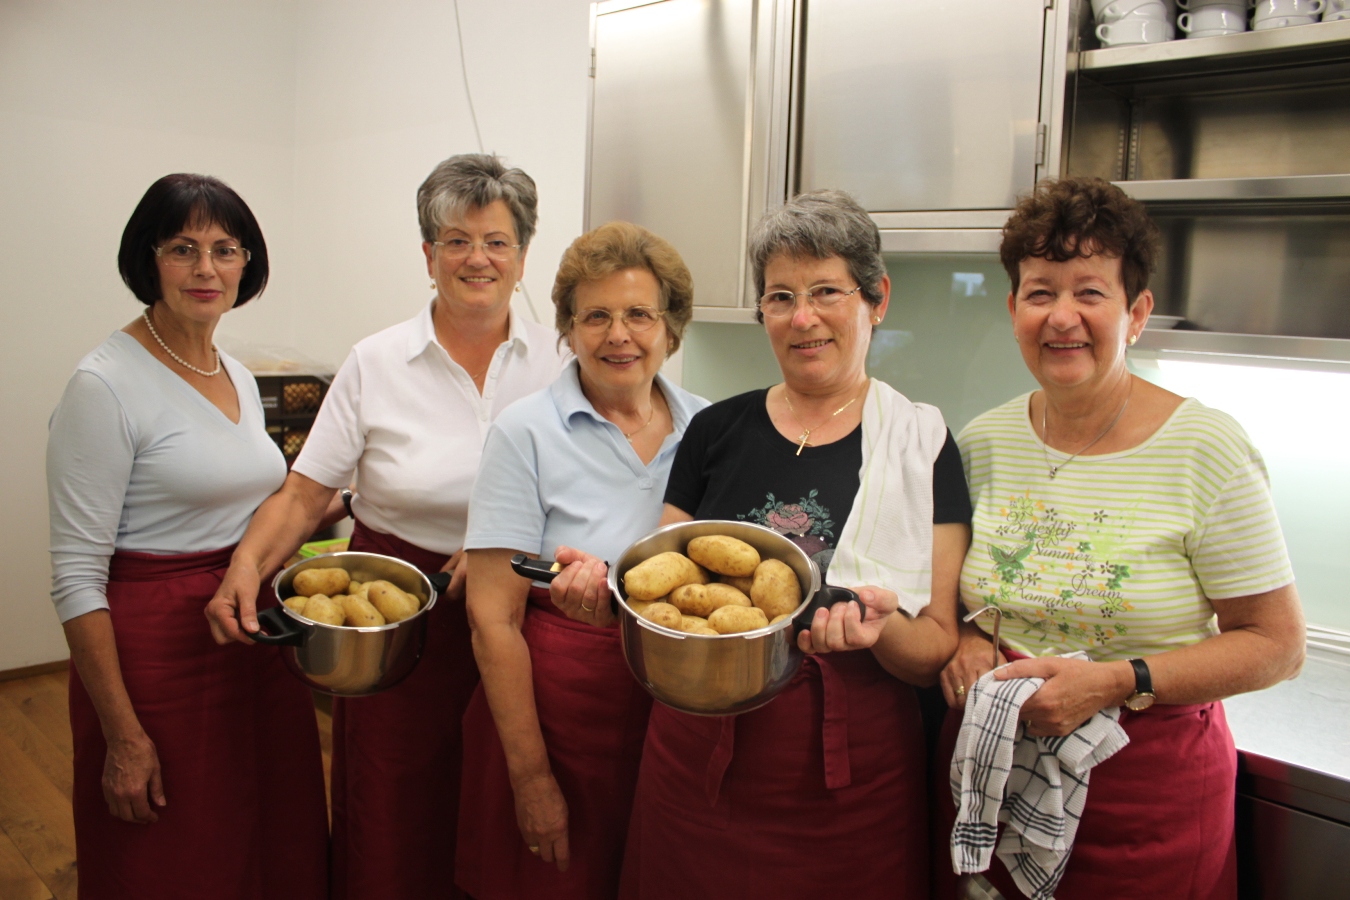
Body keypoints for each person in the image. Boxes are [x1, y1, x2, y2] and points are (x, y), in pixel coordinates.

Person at [933, 176, 1305, 900]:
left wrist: (1116, 679)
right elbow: (952, 596)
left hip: (1146, 794)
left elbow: (1278, 645)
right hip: (992, 778)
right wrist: (970, 639)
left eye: (1090, 292)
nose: (1061, 316)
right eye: (1040, 292)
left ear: (1136, 313)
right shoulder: (984, 442)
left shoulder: (1205, 449)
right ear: (1013, 310)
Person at [205, 154, 566, 900]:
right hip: (395, 619)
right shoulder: (375, 362)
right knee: (396, 808)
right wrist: (246, 567)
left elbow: (588, 486)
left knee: (507, 801)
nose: (477, 258)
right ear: (429, 256)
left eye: (497, 242)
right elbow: (304, 495)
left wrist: (500, 543)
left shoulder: (561, 362)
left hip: (527, 620)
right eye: (457, 241)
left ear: (523, 256)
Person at [617, 190, 973, 899]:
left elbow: (936, 643)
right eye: (781, 297)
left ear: (876, 299)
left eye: (826, 292)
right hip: (700, 751)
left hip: (851, 774)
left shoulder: (921, 446)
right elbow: (665, 589)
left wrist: (879, 629)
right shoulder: (714, 432)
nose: (802, 318)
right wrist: (609, 592)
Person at [47, 174, 328, 899]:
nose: (207, 268)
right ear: (149, 259)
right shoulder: (104, 385)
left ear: (246, 264)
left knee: (272, 830)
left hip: (251, 631)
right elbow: (76, 576)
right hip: (156, 655)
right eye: (183, 248)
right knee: (174, 854)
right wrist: (122, 733)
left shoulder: (235, 371)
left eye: (225, 250)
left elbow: (251, 503)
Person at [455, 221, 708, 900]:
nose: (618, 335)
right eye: (595, 316)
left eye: (639, 314)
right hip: (555, 715)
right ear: (568, 329)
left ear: (671, 327)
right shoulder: (525, 432)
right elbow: (492, 620)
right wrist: (531, 778)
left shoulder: (709, 429)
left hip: (675, 715)